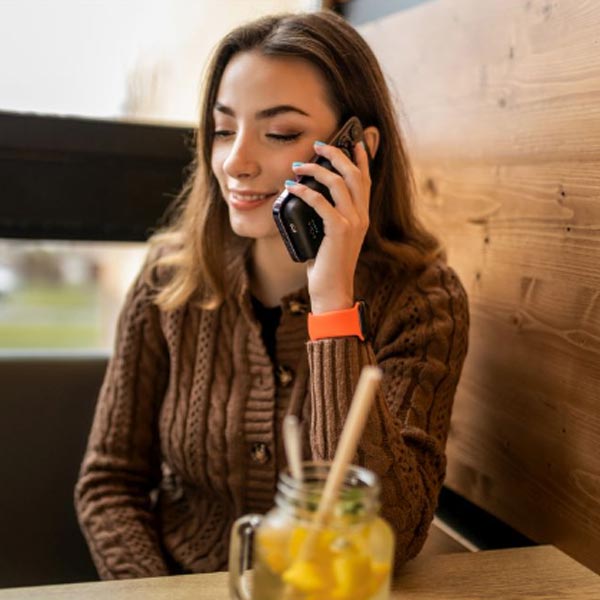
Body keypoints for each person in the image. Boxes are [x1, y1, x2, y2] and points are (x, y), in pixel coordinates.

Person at [75, 10, 469, 580]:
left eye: (280, 133)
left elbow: (392, 528)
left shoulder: (423, 301)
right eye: (223, 129)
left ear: (358, 150)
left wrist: (333, 303)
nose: (236, 162)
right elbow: (108, 484)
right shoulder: (168, 280)